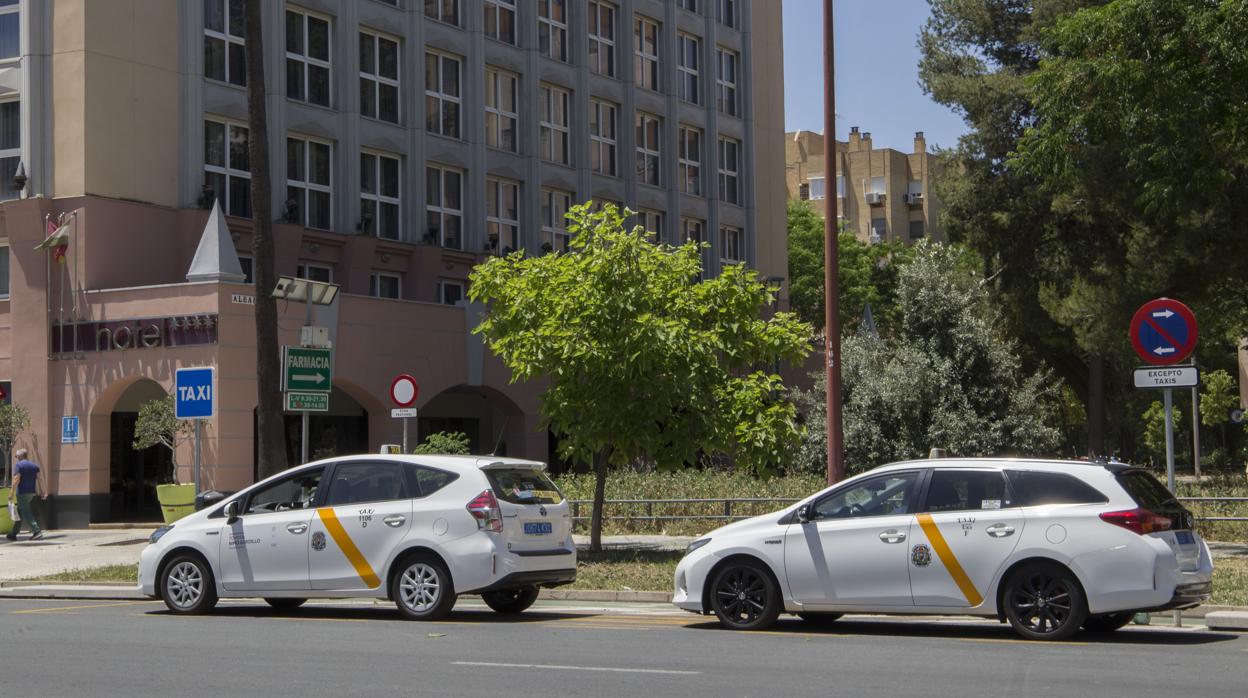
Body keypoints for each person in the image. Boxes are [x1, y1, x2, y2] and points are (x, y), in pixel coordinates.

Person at [7, 449, 47, 541]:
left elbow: (16, 479)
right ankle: (13, 533)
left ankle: (36, 531)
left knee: (26, 512)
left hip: (22, 493)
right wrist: (42, 491)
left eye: (16, 456)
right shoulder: (34, 466)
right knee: (20, 512)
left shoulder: (18, 465)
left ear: (20, 456)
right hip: (31, 492)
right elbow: (40, 479)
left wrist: (11, 492)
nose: (16, 458)